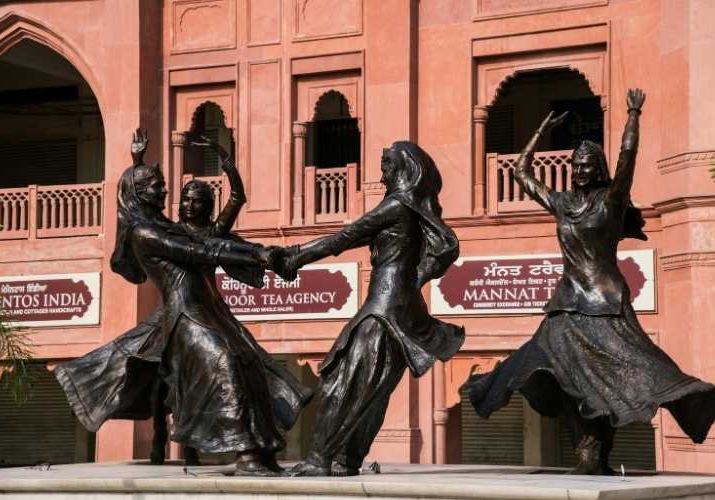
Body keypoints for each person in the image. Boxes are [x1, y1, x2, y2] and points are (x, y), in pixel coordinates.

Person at [468, 89, 715, 475]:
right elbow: (521, 173)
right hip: (566, 307)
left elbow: (627, 159)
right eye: (575, 164)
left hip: (606, 305)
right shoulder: (562, 204)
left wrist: (633, 115)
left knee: (624, 374)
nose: (579, 170)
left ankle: (602, 453)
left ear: (598, 168)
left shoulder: (611, 201)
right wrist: (540, 131)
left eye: (586, 165)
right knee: (550, 372)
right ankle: (588, 453)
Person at [56, 130, 308, 476]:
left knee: (249, 363)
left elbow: (213, 235)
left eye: (163, 185)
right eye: (157, 186)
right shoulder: (144, 233)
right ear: (140, 194)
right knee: (224, 363)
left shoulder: (163, 224)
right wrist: (258, 254)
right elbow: (200, 251)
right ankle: (245, 454)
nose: (166, 192)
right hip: (185, 316)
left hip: (211, 311)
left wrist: (137, 163)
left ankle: (263, 450)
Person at [274, 141, 465, 477]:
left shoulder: (396, 205)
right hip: (399, 306)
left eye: (387, 165)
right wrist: (416, 278)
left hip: (384, 309)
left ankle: (320, 459)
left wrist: (295, 257)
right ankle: (346, 459)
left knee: (344, 383)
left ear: (405, 168)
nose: (382, 174)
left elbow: (344, 237)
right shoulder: (409, 208)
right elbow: (441, 249)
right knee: (372, 389)